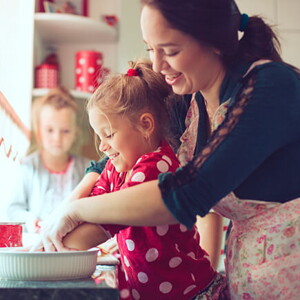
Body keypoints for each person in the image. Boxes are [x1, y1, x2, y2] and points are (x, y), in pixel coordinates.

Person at [34, 0, 300, 299]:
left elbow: (185, 194)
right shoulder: (188, 100)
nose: (158, 66)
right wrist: (64, 213)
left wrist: (76, 209)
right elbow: (111, 156)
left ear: (214, 42)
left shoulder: (271, 88)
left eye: (171, 51)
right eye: (151, 48)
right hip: (249, 276)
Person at [60, 60, 228, 300]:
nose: (102, 146)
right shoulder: (117, 167)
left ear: (146, 125)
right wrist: (66, 219)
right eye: (99, 137)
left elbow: (104, 222)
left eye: (108, 134)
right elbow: (96, 198)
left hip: (191, 295)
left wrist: (56, 239)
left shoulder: (155, 167)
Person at [7, 87, 90, 233]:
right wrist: (31, 221)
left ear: (75, 133)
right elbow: (14, 209)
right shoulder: (28, 166)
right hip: (37, 242)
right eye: (50, 130)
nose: (57, 138)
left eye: (65, 131)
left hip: (74, 243)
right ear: (39, 132)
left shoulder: (87, 169)